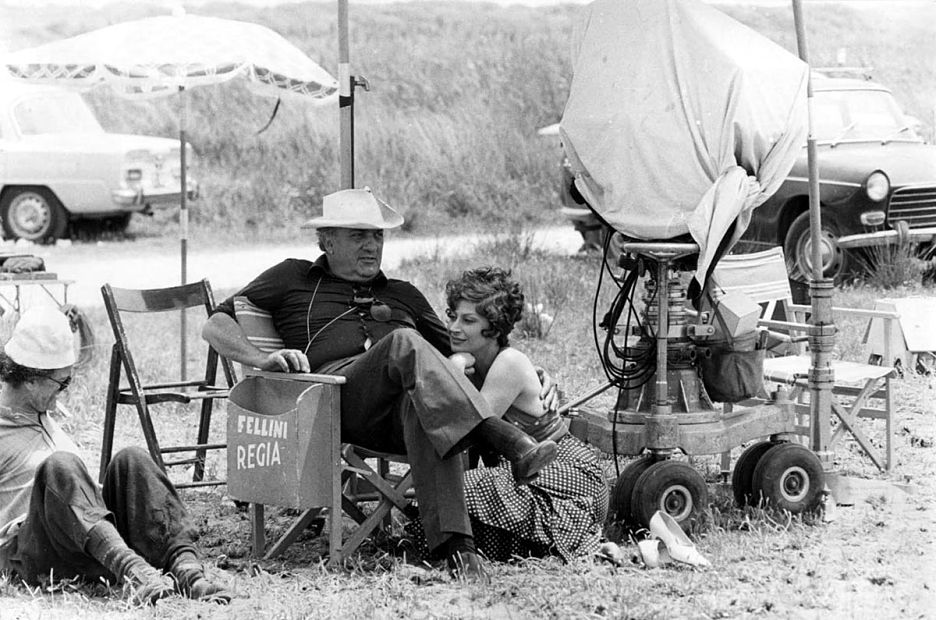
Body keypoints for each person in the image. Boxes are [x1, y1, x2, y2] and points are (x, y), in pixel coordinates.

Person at [202, 187, 559, 580]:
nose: (372, 246)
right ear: (327, 241)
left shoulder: (403, 293)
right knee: (405, 342)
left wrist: (529, 371)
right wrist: (260, 359)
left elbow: (466, 348)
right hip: (335, 401)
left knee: (425, 405)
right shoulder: (292, 277)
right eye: (358, 236)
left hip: (402, 412)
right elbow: (215, 325)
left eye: (378, 235)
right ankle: (500, 437)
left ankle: (459, 552)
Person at [0, 307, 232, 605]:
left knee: (131, 459)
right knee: (61, 466)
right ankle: (134, 572)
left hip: (84, 539)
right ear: (30, 379)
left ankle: (189, 572)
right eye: (62, 384)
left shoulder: (40, 409)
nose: (65, 393)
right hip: (31, 548)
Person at [444, 267, 609, 562]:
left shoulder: (509, 363)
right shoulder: (477, 361)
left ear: (494, 328)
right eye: (453, 316)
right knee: (444, 503)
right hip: (520, 475)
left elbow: (465, 431)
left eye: (468, 320)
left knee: (453, 494)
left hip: (564, 472)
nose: (454, 327)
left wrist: (451, 373)